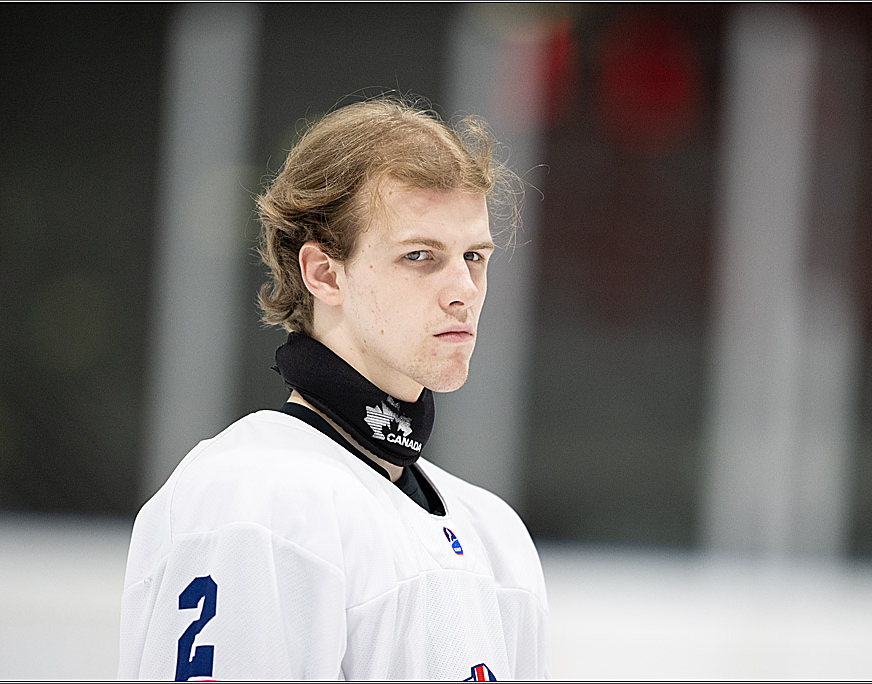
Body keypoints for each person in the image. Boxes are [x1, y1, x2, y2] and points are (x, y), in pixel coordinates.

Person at [117, 96, 549, 681]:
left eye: (474, 256)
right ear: (324, 273)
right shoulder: (251, 499)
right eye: (420, 255)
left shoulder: (497, 539)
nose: (464, 290)